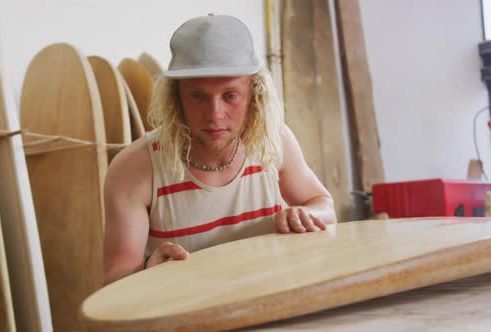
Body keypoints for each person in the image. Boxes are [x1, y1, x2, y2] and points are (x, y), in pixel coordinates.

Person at [103, 14, 336, 285]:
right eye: (198, 96)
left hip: (270, 305)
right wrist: (144, 271)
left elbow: (325, 205)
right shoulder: (135, 169)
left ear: (254, 94)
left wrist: (306, 214)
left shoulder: (274, 141)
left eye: (230, 96)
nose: (214, 114)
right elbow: (113, 281)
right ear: (176, 97)